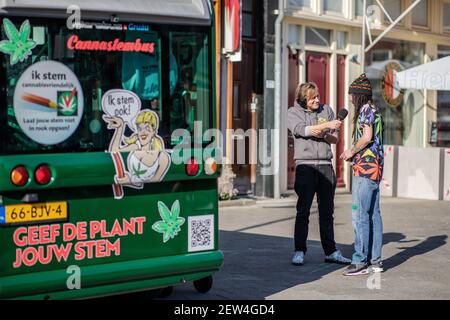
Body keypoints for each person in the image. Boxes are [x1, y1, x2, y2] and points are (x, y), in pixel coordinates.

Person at [287, 82, 351, 266]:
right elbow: (302, 130)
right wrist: (326, 126)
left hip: (325, 166)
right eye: (313, 97)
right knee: (303, 211)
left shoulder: (327, 111)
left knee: (327, 212)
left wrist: (326, 132)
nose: (317, 100)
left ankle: (331, 252)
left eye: (318, 96)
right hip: (305, 166)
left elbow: (334, 138)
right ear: (303, 99)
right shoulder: (293, 112)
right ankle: (299, 250)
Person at [340, 73, 384, 276]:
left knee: (360, 215)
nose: (349, 98)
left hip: (365, 168)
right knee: (373, 214)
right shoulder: (375, 110)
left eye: (351, 94)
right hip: (375, 168)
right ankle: (375, 261)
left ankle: (360, 261)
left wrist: (351, 151)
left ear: (358, 95)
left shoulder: (366, 110)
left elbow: (366, 137)